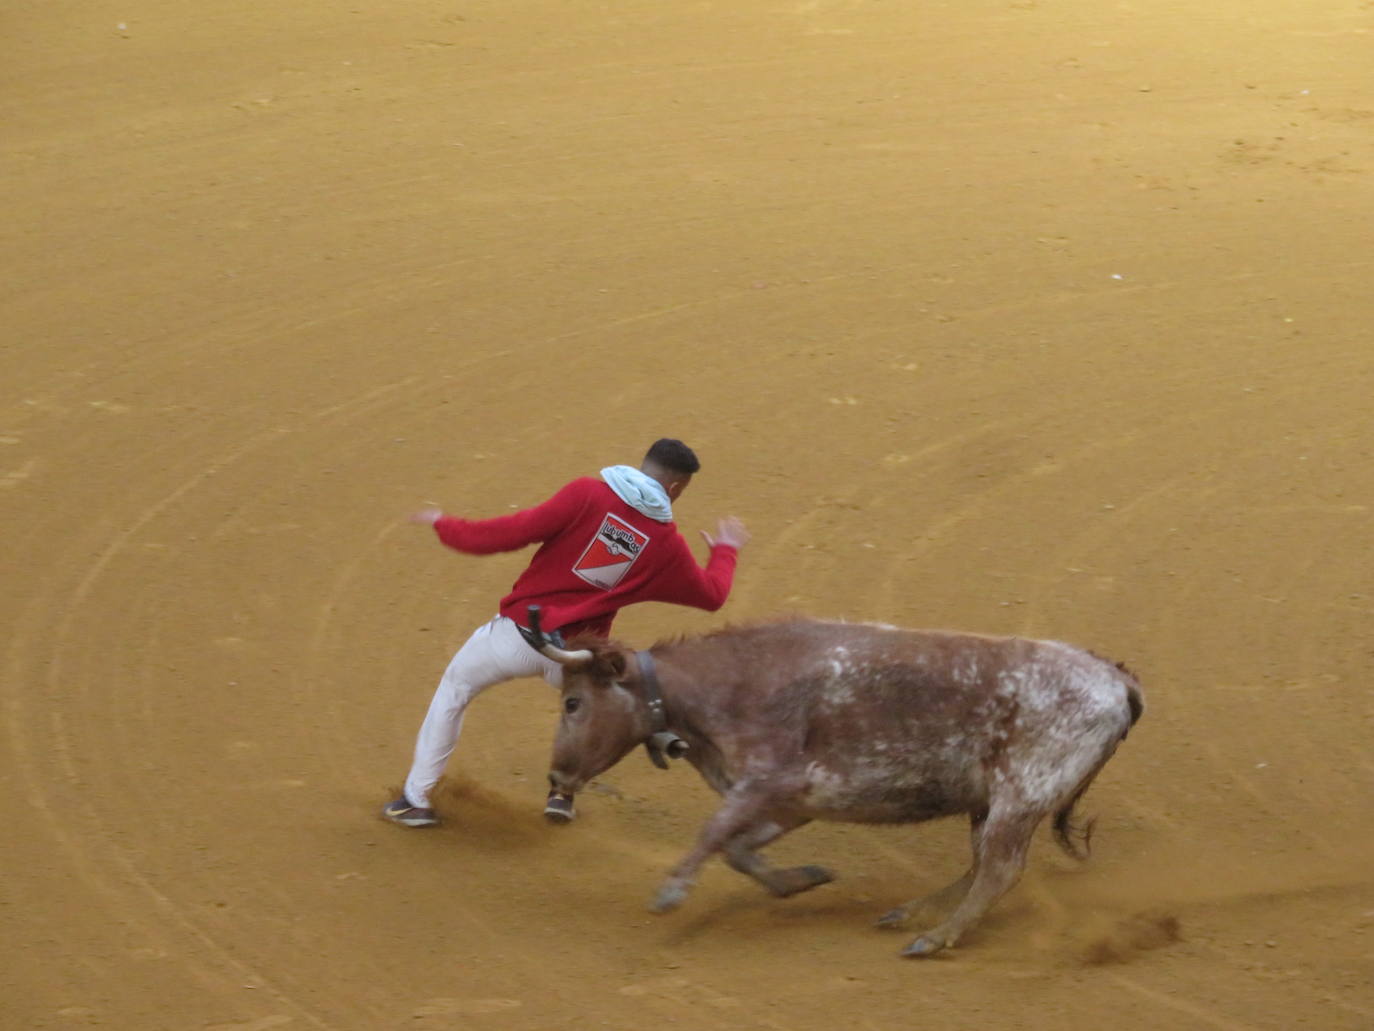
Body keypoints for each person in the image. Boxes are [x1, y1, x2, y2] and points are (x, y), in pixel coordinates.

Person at [382, 438, 749, 828]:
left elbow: (509, 532)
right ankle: (563, 791)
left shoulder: (586, 494)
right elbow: (712, 595)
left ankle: (416, 800)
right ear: (675, 488)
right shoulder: (666, 546)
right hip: (577, 660)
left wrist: (446, 525)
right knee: (592, 713)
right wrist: (725, 550)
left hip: (516, 638)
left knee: (454, 691)